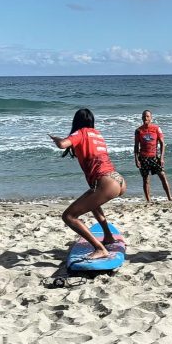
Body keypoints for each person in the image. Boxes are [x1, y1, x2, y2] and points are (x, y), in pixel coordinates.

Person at [49, 108, 127, 260]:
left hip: (106, 181)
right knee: (93, 202)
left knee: (69, 216)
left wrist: (57, 139)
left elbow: (63, 145)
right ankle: (109, 237)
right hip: (118, 179)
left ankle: (100, 248)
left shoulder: (80, 133)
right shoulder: (97, 134)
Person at [133, 109, 172, 202]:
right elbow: (136, 146)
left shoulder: (156, 128)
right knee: (146, 180)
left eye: (147, 116)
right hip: (143, 158)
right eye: (143, 116)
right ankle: (148, 200)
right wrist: (136, 159)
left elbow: (162, 144)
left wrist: (162, 158)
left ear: (151, 118)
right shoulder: (138, 131)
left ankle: (169, 197)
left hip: (154, 157)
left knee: (162, 176)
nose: (145, 118)